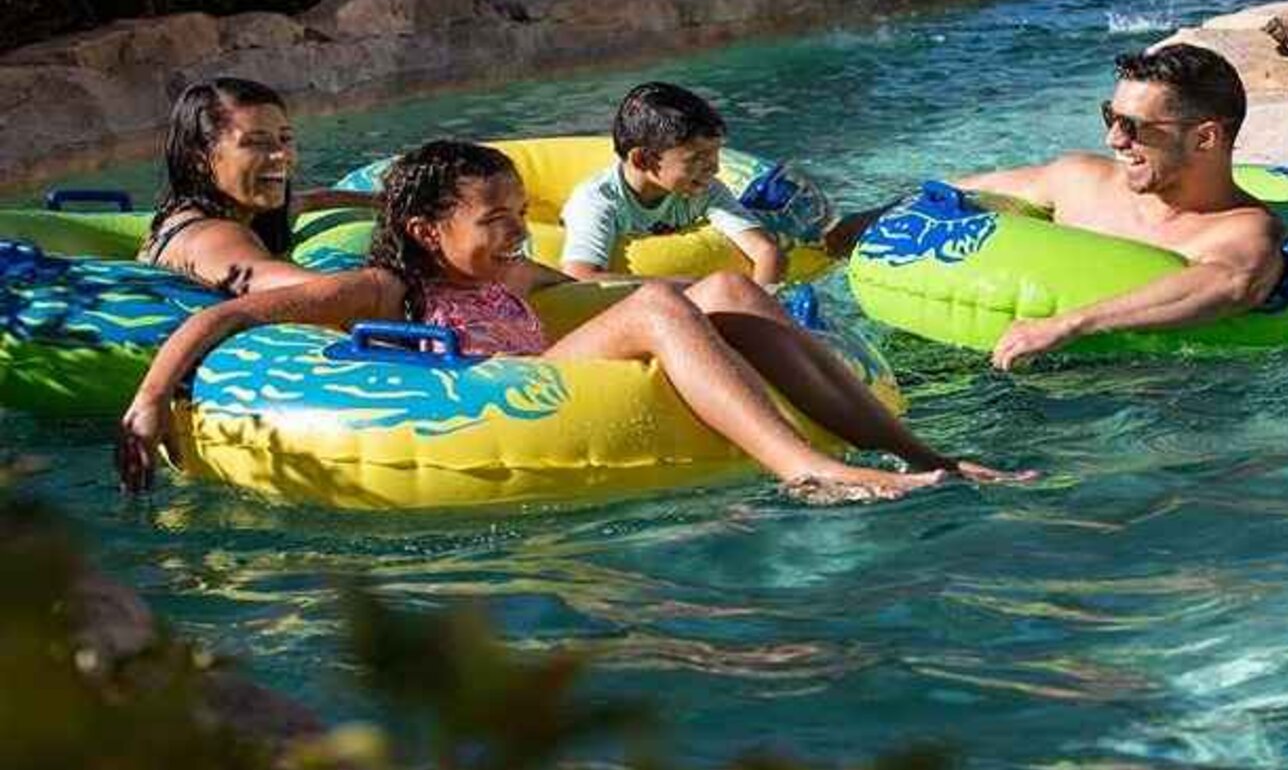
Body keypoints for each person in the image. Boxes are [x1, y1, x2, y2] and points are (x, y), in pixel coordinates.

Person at [117, 140, 1021, 502]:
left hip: (558, 365)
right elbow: (231, 316)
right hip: (478, 399)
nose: (516, 232)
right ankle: (808, 472)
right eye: (497, 220)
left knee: (730, 297)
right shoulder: (379, 289)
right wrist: (153, 400)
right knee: (665, 303)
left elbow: (587, 291)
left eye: (519, 212)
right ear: (430, 231)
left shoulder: (517, 270)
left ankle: (920, 453)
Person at [831, 44, 1285, 371]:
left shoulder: (1241, 231)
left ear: (1205, 138)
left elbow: (1232, 284)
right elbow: (958, 193)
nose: (1114, 140)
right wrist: (840, 232)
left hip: (1136, 395)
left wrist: (1069, 325)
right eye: (1111, 117)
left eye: (1133, 126)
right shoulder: (1080, 181)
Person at [139, 78, 372, 295]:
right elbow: (323, 294)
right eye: (255, 142)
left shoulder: (221, 210)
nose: (281, 155)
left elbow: (309, 200)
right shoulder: (212, 238)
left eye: (285, 139)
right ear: (200, 160)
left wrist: (380, 200)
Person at [559, 82, 786, 287]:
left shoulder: (704, 189)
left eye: (716, 154)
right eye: (697, 158)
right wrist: (688, 286)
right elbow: (581, 276)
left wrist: (763, 306)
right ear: (642, 160)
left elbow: (766, 251)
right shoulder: (598, 200)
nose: (714, 168)